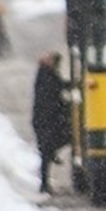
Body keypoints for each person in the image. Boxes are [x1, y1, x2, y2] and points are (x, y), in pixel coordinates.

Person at [31, 51, 70, 194]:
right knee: (46, 152)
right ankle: (44, 184)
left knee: (46, 152)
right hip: (46, 120)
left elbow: (58, 88)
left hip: (45, 119)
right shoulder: (47, 75)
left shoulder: (45, 74)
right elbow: (54, 93)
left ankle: (44, 182)